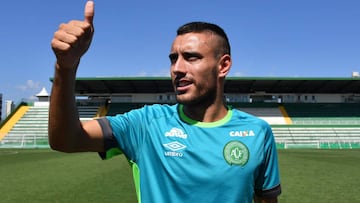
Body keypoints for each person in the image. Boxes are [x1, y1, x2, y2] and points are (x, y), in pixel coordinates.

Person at [49, 1, 281, 202]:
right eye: (173, 59)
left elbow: (266, 199)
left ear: (223, 65)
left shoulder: (257, 132)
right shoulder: (146, 124)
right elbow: (65, 140)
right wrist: (65, 68)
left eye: (191, 57)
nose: (177, 68)